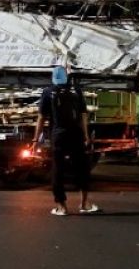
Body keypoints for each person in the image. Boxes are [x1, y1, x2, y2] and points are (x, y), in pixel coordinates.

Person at [33, 66, 98, 216]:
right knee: (82, 168)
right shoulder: (76, 91)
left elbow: (41, 117)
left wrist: (36, 139)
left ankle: (62, 207)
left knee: (58, 170)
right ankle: (84, 204)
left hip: (58, 135)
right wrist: (87, 136)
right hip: (76, 134)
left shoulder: (49, 92)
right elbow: (83, 115)